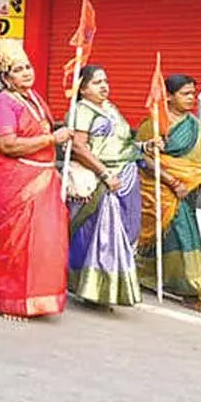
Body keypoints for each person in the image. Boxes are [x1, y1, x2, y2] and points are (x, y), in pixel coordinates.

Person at [0, 39, 72, 321]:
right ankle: (10, 301)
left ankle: (40, 299)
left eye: (28, 67)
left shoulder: (33, 97)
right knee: (16, 244)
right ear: (6, 77)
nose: (26, 73)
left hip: (43, 178)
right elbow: (8, 144)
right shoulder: (2, 103)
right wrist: (52, 138)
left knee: (46, 243)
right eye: (18, 70)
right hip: (15, 182)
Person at [65, 65, 147, 308]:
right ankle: (92, 289)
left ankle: (113, 288)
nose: (104, 86)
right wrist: (103, 173)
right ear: (82, 88)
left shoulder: (110, 108)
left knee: (129, 231)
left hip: (126, 177)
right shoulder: (81, 110)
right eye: (96, 82)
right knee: (96, 236)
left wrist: (144, 147)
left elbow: (123, 142)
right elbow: (79, 148)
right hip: (102, 180)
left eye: (105, 81)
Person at [135, 74, 201, 308]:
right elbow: (142, 158)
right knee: (173, 238)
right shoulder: (154, 123)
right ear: (170, 96)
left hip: (187, 191)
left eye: (193, 94)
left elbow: (197, 160)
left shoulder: (195, 126)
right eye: (185, 94)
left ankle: (183, 285)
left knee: (185, 237)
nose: (191, 98)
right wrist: (172, 182)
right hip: (159, 191)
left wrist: (191, 179)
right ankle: (188, 288)